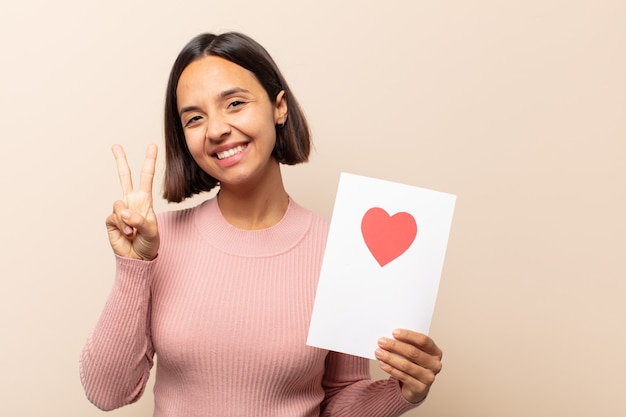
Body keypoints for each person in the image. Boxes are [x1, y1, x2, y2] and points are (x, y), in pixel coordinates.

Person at [79, 32, 443, 417]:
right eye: (195, 118)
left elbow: (339, 400)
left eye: (234, 103)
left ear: (278, 107)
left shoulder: (341, 251)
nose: (216, 129)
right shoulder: (158, 241)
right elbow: (107, 392)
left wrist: (404, 391)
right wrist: (134, 267)